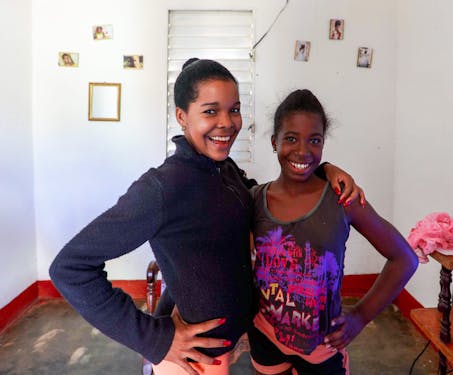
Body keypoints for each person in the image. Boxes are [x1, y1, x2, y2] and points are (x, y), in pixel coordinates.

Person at [49, 59, 364, 375]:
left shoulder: (224, 171)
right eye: (211, 111)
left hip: (232, 348)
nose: (227, 122)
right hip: (192, 363)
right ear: (182, 117)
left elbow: (267, 199)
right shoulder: (163, 187)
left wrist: (321, 171)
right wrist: (156, 338)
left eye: (234, 109)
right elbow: (70, 268)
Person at [248, 89, 418, 375]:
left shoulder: (343, 199)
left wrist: (360, 316)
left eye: (314, 140)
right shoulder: (254, 200)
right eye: (291, 138)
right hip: (265, 335)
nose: (302, 151)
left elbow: (405, 259)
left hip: (323, 345)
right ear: (274, 141)